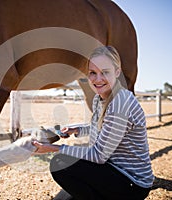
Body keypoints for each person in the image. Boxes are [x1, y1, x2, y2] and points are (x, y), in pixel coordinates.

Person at [33, 46, 154, 200]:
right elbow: (104, 128)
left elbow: (98, 155)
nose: (98, 79)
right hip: (110, 170)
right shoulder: (100, 98)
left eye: (105, 72)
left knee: (60, 163)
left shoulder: (120, 103)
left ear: (117, 72)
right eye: (93, 73)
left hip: (131, 183)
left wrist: (53, 148)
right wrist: (78, 130)